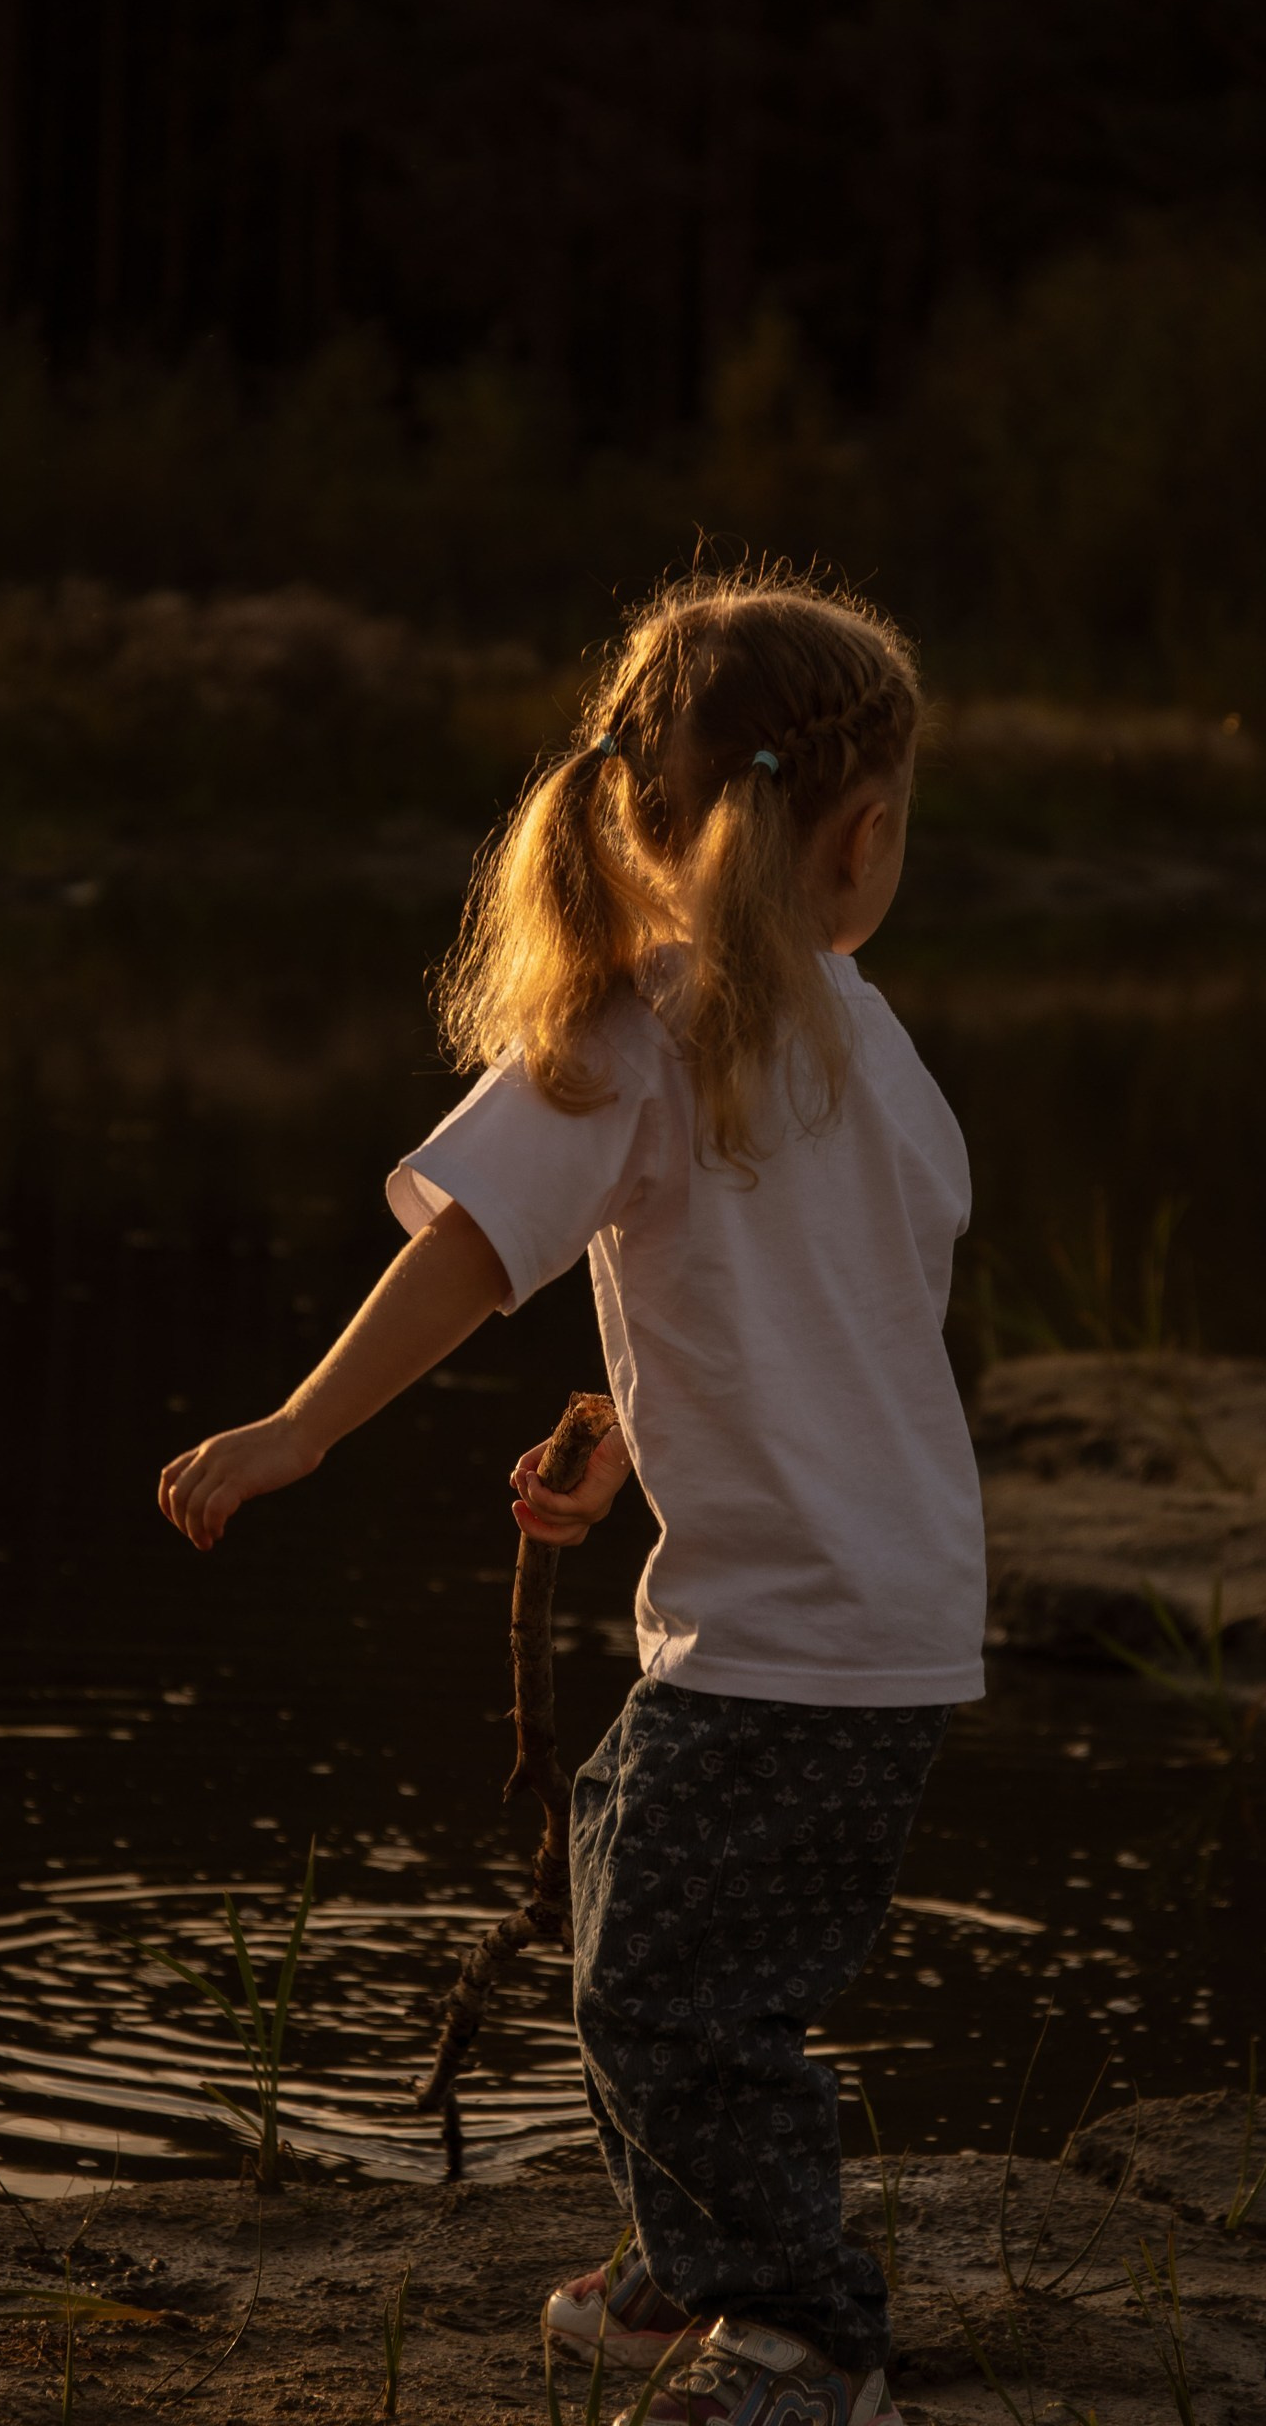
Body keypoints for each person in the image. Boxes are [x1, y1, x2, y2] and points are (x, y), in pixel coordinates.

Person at [158, 570, 986, 2426]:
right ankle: (693, 2258)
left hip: (794, 1627)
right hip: (895, 1614)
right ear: (860, 836)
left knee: (667, 1991)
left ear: (639, 811)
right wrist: (621, 1418)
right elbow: (805, 1306)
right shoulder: (872, 1048)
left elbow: (467, 1248)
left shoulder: (638, 1028)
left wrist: (298, 1428)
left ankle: (803, 2333)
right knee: (632, 1891)